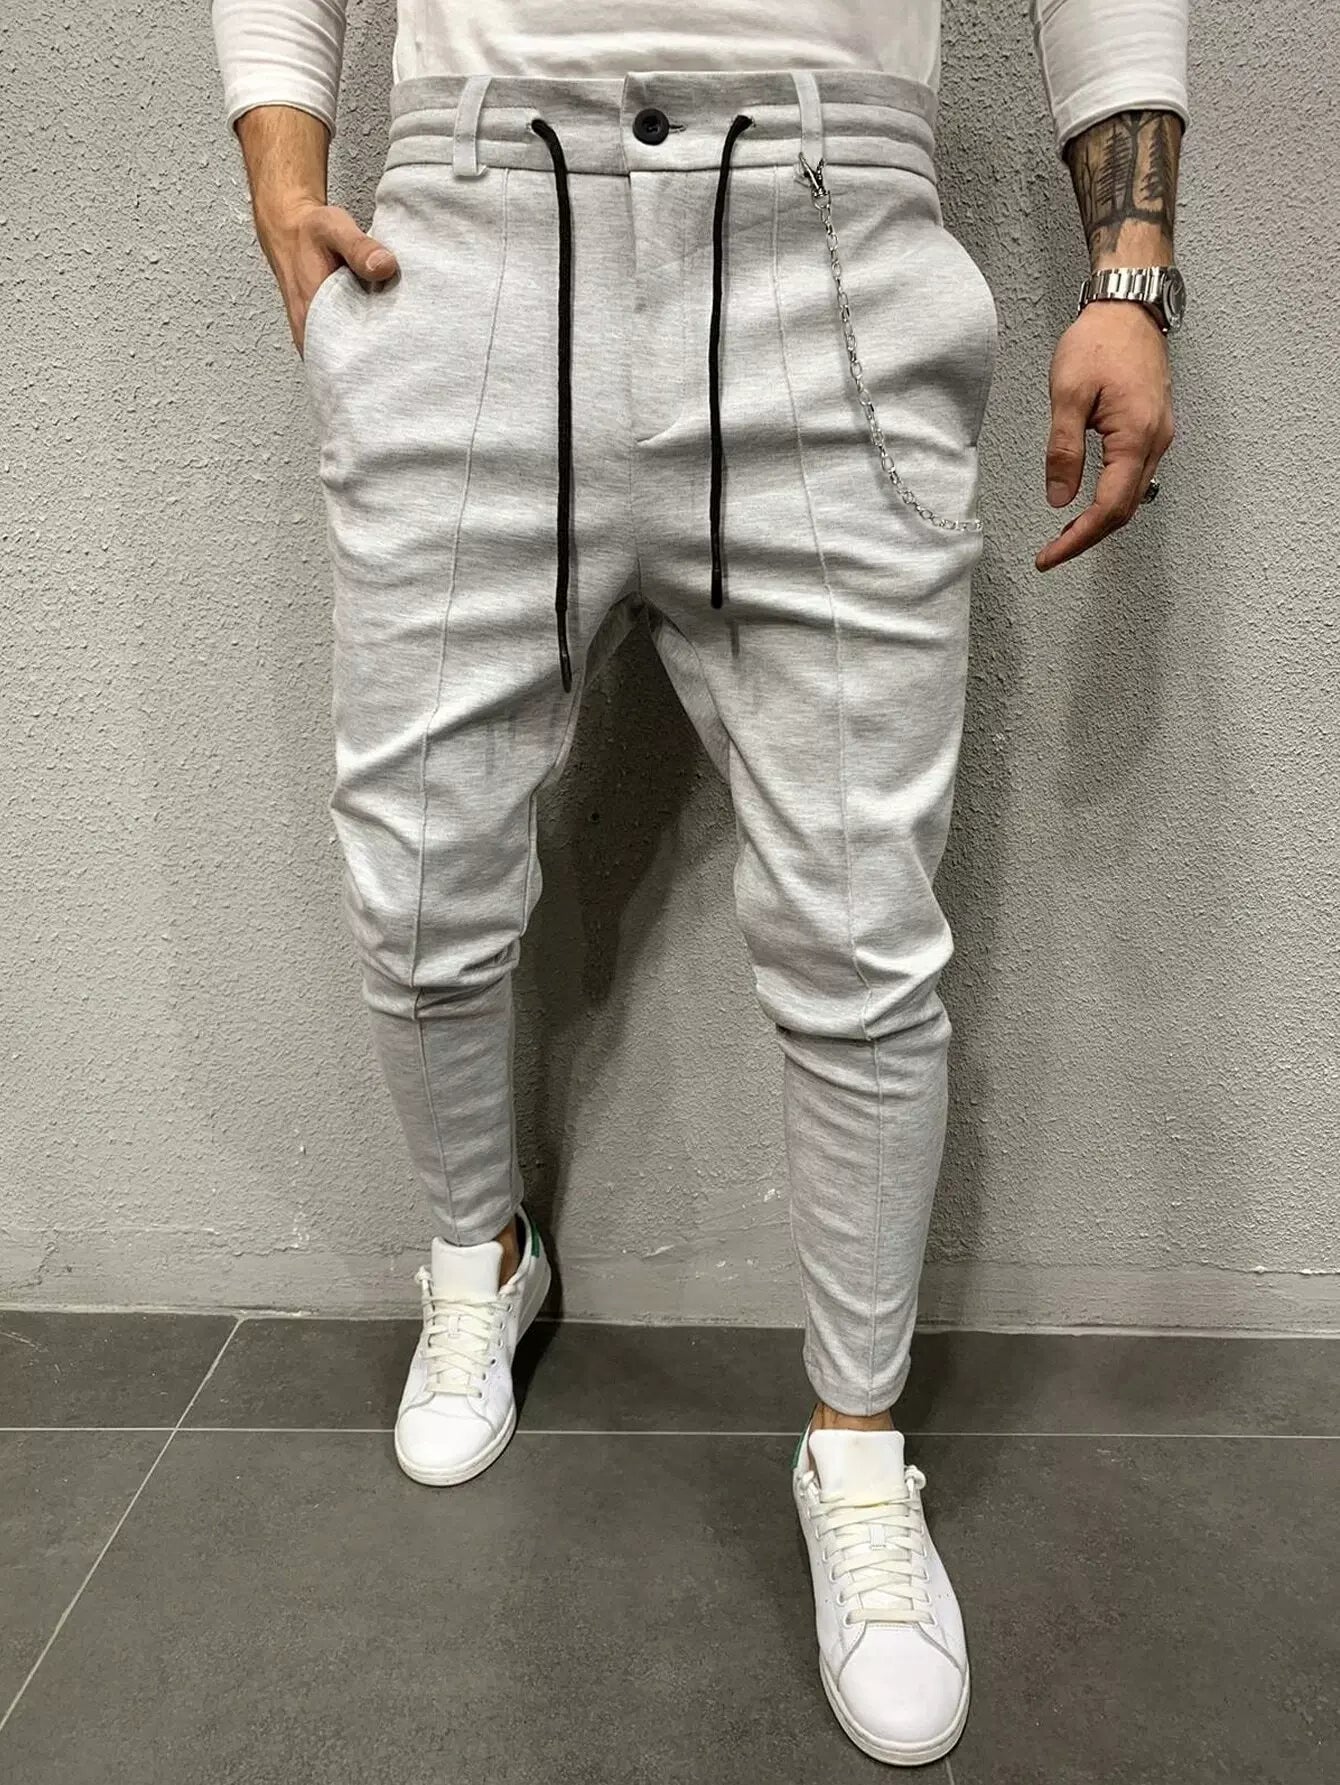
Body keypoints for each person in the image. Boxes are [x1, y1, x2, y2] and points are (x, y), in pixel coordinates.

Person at [211, 0, 1188, 1765]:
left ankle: (858, 1449)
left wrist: (1130, 269)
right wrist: (282, 163)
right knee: (416, 878)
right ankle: (480, 1251)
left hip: (830, 245)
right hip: (469, 241)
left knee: (862, 927)